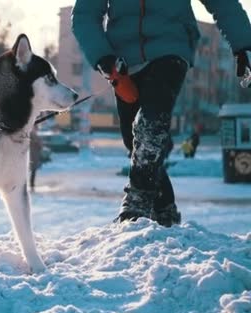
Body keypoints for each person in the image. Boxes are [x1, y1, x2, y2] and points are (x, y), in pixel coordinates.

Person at [72, 0, 251, 227]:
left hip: (171, 47)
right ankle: (164, 210)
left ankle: (137, 202)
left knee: (150, 122)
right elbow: (85, 15)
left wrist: (244, 44)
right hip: (123, 63)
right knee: (135, 143)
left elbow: (223, 4)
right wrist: (103, 58)